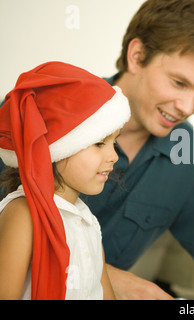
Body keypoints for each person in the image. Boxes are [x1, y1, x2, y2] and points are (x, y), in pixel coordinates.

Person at [80, 0, 194, 299]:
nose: (188, 107)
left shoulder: (193, 157)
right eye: (179, 83)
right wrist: (125, 284)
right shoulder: (47, 112)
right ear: (137, 57)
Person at [0, 61, 131, 299]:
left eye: (115, 142)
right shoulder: (23, 213)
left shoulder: (86, 221)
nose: (113, 156)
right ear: (56, 149)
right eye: (100, 143)